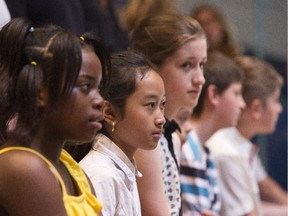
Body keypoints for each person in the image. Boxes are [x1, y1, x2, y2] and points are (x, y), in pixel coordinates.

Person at [0, 17, 111, 215]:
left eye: (99, 87)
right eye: (86, 86)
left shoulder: (69, 167)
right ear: (41, 91)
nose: (100, 100)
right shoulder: (22, 166)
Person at [130, 13, 207, 215]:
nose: (200, 79)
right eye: (186, 65)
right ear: (152, 68)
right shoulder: (146, 140)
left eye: (202, 65)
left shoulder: (172, 136)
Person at [79, 50, 166, 215]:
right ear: (110, 113)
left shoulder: (122, 169)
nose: (161, 119)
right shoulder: (101, 174)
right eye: (150, 105)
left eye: (162, 104)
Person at [206, 56, 286, 216]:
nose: (280, 109)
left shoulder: (239, 146)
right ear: (256, 108)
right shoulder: (227, 152)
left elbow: (255, 204)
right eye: (276, 100)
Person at [180, 51, 246, 216]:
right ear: (214, 95)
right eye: (236, 94)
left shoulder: (204, 152)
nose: (242, 104)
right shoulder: (187, 147)